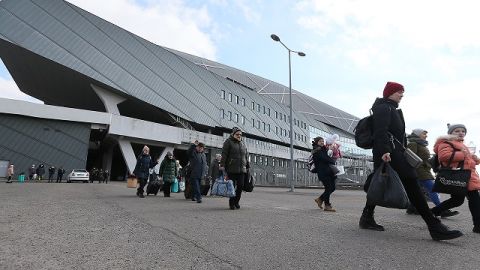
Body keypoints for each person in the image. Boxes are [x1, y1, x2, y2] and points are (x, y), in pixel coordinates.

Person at [358, 81, 462, 241]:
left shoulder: (390, 108)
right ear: (390, 93)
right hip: (391, 154)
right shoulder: (384, 108)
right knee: (412, 184)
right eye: (399, 92)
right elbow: (380, 131)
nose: (402, 95)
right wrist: (385, 151)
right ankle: (434, 226)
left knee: (381, 184)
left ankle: (367, 217)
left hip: (394, 153)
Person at [430, 124, 480, 233]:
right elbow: (443, 157)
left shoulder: (461, 144)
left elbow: (466, 161)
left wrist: (475, 160)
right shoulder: (445, 143)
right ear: (450, 133)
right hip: (460, 175)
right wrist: (464, 154)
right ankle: (478, 226)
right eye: (457, 131)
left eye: (463, 131)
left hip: (467, 176)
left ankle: (432, 212)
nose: (461, 132)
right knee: (472, 199)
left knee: (458, 200)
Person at [405, 129, 458, 217]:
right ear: (418, 134)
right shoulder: (413, 144)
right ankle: (442, 210)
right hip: (419, 171)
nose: (426, 135)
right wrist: (421, 165)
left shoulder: (421, 144)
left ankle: (412, 208)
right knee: (433, 189)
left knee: (417, 191)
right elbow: (410, 157)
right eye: (424, 134)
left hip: (424, 170)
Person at [220, 127, 249, 210]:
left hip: (242, 169)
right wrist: (222, 165)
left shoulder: (243, 143)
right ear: (233, 134)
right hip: (231, 168)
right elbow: (224, 154)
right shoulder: (228, 142)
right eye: (237, 134)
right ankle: (231, 203)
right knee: (232, 187)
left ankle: (236, 202)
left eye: (240, 134)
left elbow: (246, 155)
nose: (239, 136)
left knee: (240, 186)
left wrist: (247, 165)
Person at [312, 137, 338, 212]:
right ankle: (327, 205)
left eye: (323, 141)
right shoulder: (316, 150)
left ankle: (320, 199)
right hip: (323, 172)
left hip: (329, 171)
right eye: (320, 141)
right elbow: (324, 158)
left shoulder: (323, 149)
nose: (322, 142)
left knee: (332, 188)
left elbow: (327, 156)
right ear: (316, 142)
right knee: (328, 188)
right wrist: (333, 161)